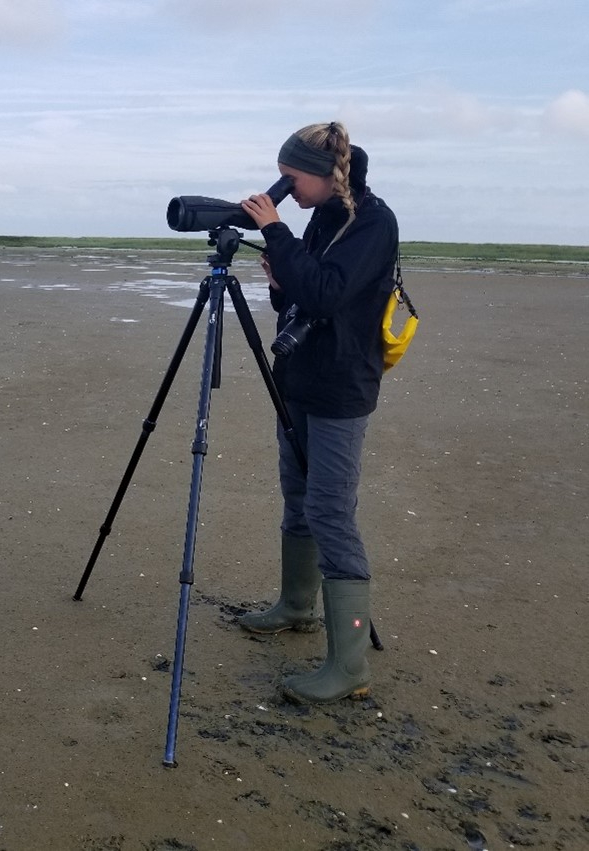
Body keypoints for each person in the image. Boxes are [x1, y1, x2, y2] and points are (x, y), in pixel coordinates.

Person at [236, 122, 398, 704]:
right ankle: (296, 606)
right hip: (301, 379)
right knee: (298, 496)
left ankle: (349, 665)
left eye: (290, 177)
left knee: (331, 510)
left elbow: (331, 294)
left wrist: (275, 233)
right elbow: (307, 295)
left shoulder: (374, 222)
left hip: (339, 389)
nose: (284, 187)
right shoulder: (323, 217)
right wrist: (281, 280)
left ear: (328, 174)